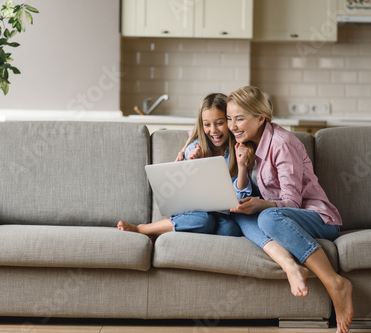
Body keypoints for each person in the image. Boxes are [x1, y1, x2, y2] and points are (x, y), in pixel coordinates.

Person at [226, 86, 354, 333]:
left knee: (267, 217)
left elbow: (293, 202)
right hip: (279, 218)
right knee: (238, 215)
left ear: (261, 118)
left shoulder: (282, 143)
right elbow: (243, 196)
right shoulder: (248, 143)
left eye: (240, 118)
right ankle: (290, 265)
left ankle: (335, 282)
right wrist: (242, 167)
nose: (233, 126)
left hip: (319, 219)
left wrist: (262, 205)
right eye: (230, 118)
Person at [117, 93, 247, 237]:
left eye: (219, 123)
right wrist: (193, 164)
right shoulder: (194, 148)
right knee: (204, 220)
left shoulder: (238, 151)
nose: (213, 130)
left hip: (222, 214)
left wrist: (242, 167)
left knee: (231, 230)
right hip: (196, 212)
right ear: (201, 124)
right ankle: (143, 229)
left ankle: (178, 226)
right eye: (207, 124)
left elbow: (240, 196)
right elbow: (179, 190)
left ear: (229, 121)